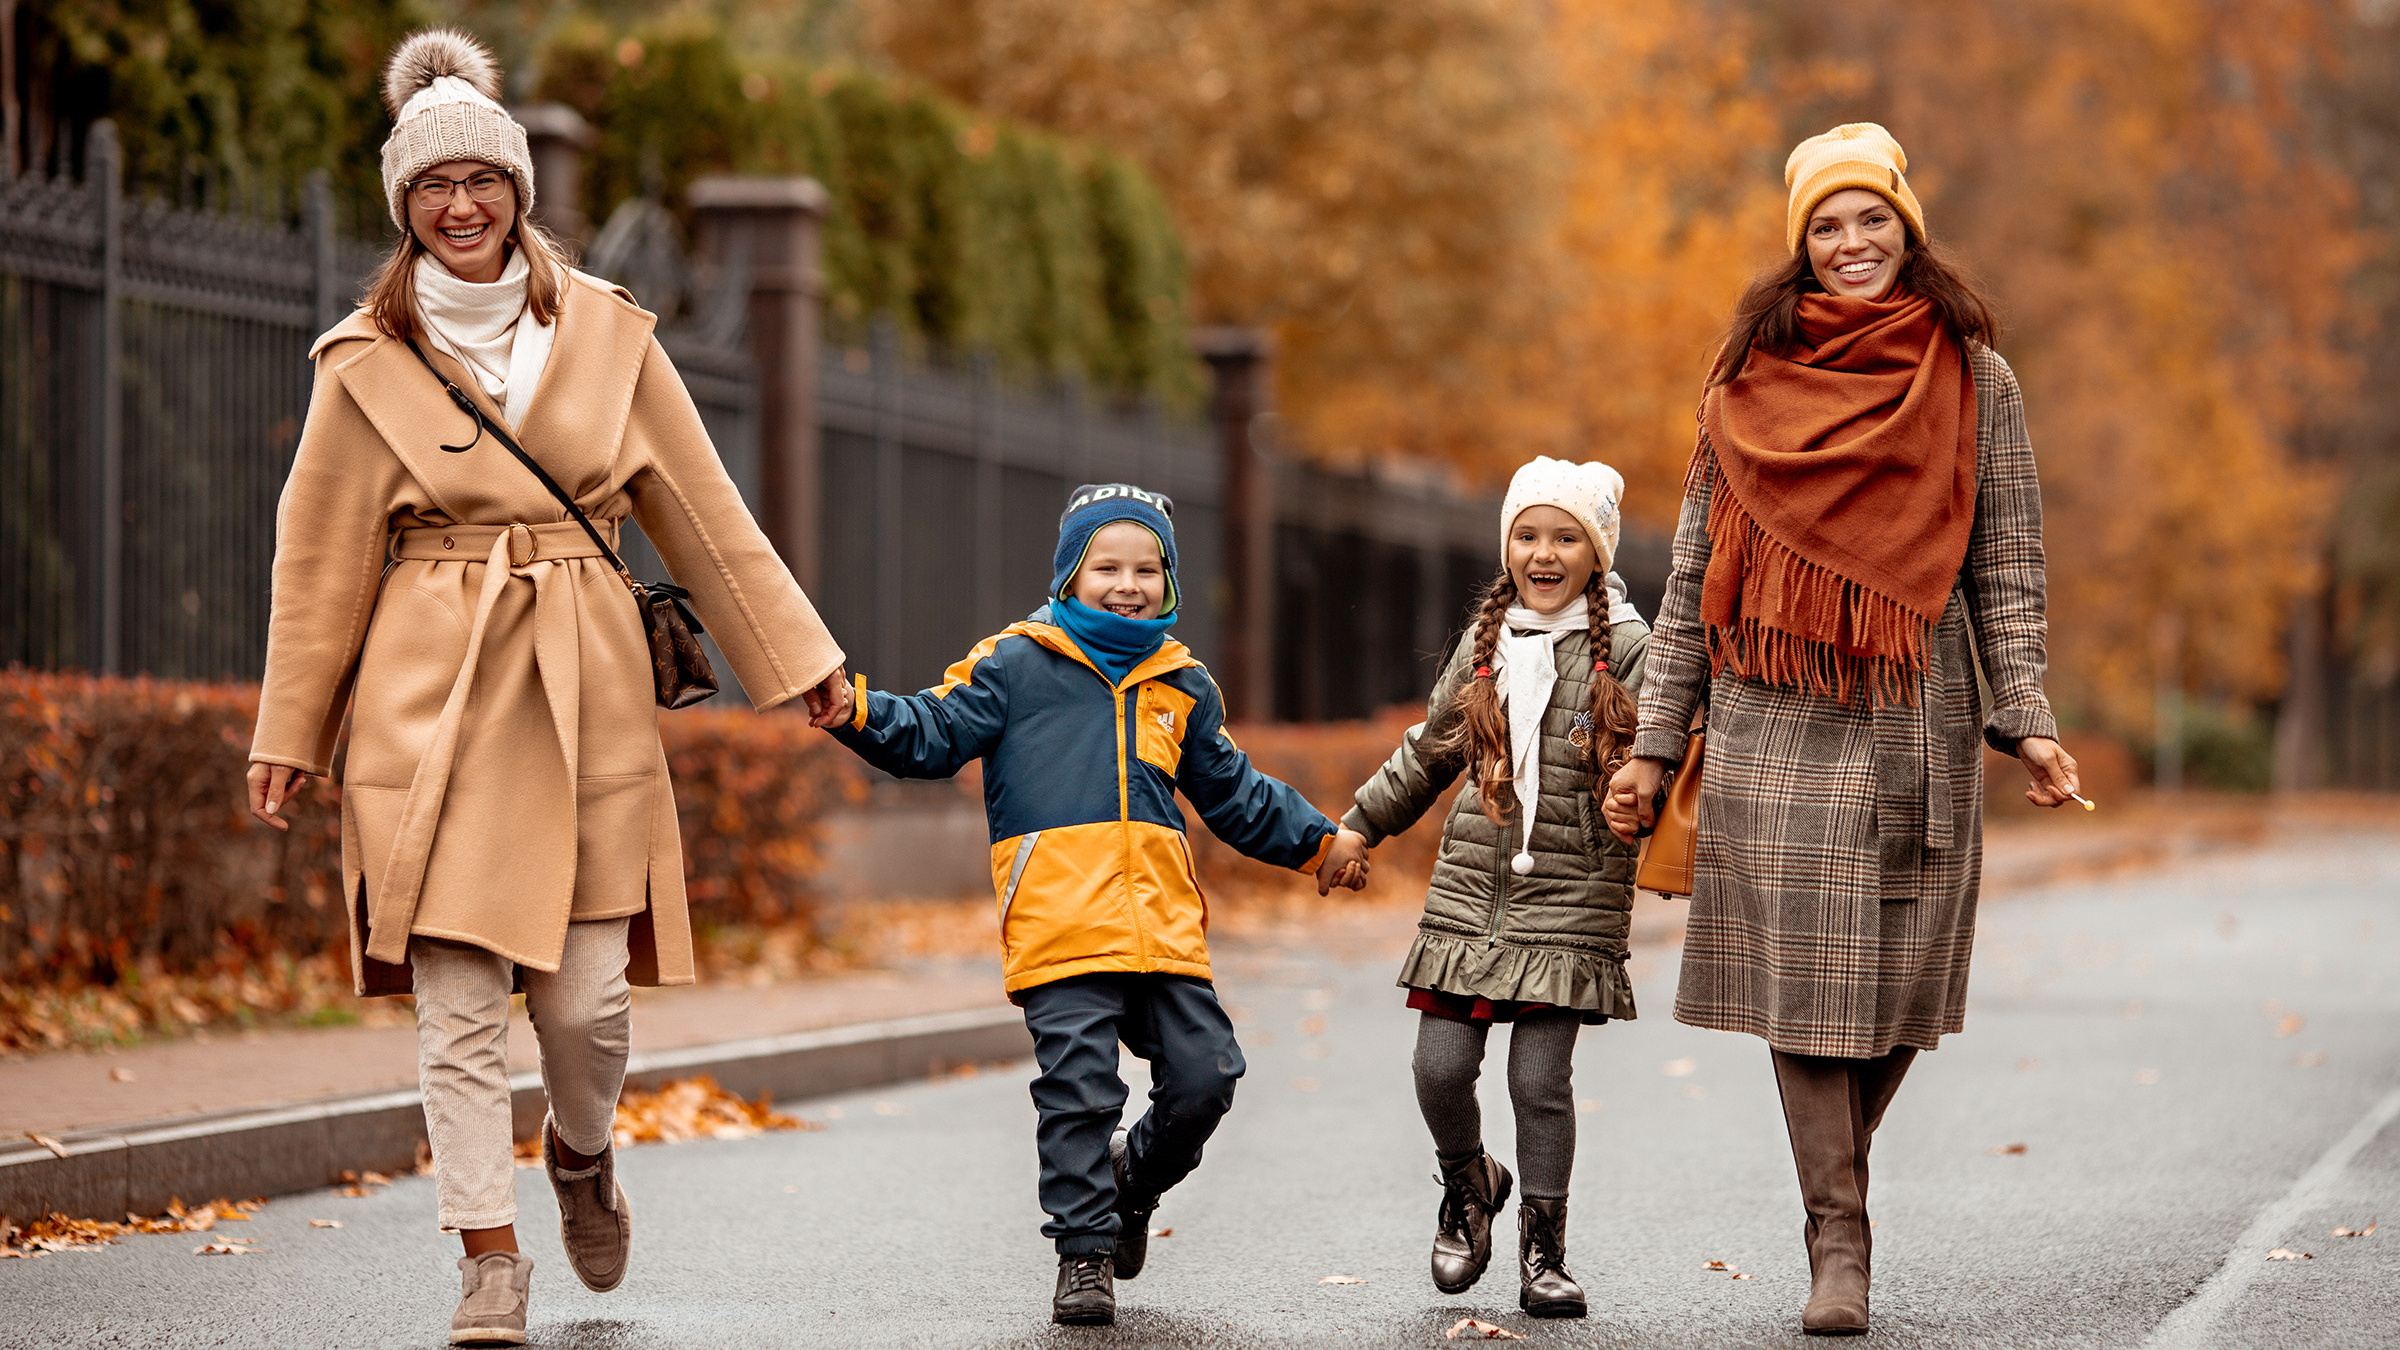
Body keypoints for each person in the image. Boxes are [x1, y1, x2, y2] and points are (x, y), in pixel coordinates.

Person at [243, 29, 851, 1348]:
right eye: (432, 187)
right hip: (428, 693)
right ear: (403, 206)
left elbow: (702, 510)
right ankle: (487, 1257)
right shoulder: (363, 361)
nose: (460, 206)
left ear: (517, 191)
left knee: (586, 1005)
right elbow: (319, 555)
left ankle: (581, 1152)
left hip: (585, 683)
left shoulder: (611, 335)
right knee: (457, 1006)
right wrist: (289, 728)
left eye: (482, 181)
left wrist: (800, 660)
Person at [1602, 123, 2080, 1337]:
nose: (1851, 242)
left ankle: (1836, 1189)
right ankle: (1840, 1237)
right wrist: (1655, 744)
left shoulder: (1977, 378)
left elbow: (2006, 564)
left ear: (1906, 229)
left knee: (1897, 981)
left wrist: (2026, 717)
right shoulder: (1744, 380)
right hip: (1773, 711)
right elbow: (1694, 575)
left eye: (1872, 219)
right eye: (1827, 224)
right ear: (1801, 243)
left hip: (1918, 711)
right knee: (1808, 980)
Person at [827, 483, 1370, 1327]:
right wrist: (854, 709)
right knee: (1080, 1093)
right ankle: (1083, 1254)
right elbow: (931, 733)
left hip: (1162, 929)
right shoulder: (1012, 664)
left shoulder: (1182, 683)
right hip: (1059, 924)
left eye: (1147, 569)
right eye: (1105, 567)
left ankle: (1131, 1184)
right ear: (1069, 576)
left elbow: (1234, 794)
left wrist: (1318, 841)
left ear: (1169, 580)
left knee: (1207, 1077)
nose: (1127, 585)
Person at [1339, 457, 1649, 1319]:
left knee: (1538, 1082)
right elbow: (1430, 750)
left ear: (1597, 553)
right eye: (1528, 535)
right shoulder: (1489, 643)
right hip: (1470, 895)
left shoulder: (1629, 648)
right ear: (1507, 545)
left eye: (1566, 538)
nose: (1543, 554)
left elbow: (1665, 758)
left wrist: (1639, 800)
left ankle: (1545, 1251)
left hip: (1572, 897)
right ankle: (1468, 1181)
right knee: (1438, 1069)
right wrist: (1360, 826)